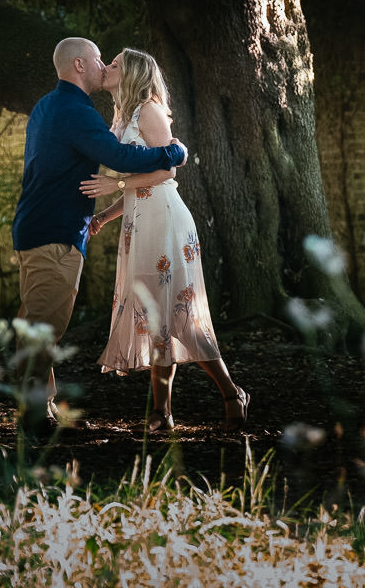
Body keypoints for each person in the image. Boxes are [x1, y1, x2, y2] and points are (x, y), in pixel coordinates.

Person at [11, 37, 188, 431]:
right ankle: (34, 418)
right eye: (97, 60)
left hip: (37, 228)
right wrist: (175, 153)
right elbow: (121, 158)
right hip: (54, 233)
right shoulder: (77, 111)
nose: (102, 65)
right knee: (44, 327)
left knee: (37, 323)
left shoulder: (46, 106)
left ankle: (44, 407)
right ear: (79, 65)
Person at [81, 48, 249, 432]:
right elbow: (136, 185)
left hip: (166, 219)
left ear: (134, 74)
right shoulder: (121, 118)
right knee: (153, 316)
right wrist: (107, 214)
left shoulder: (150, 111)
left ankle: (232, 393)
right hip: (139, 223)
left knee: (182, 318)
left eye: (116, 64)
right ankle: (162, 413)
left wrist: (115, 184)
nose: (107, 67)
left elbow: (165, 172)